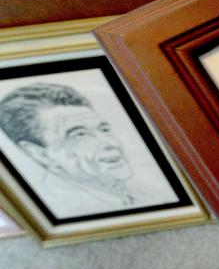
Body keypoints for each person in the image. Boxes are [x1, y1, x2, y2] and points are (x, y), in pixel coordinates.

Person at [0, 82, 150, 216]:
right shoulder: (67, 208)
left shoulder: (141, 193)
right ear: (40, 154)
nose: (110, 143)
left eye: (103, 129)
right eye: (80, 134)